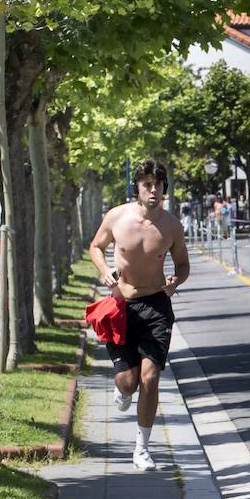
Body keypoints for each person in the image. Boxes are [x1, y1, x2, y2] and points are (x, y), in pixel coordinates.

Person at [88, 159, 190, 471]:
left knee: (150, 378)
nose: (153, 190)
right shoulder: (117, 217)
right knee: (128, 382)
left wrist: (176, 280)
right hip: (122, 306)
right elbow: (95, 246)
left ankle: (142, 448)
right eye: (147, 184)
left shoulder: (171, 226)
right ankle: (122, 391)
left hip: (156, 306)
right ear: (138, 187)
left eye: (158, 185)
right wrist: (105, 271)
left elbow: (183, 265)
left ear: (165, 189)